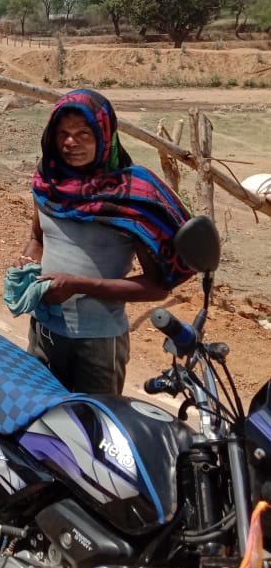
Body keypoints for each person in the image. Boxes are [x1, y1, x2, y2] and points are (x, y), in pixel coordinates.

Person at [15, 88, 193, 396]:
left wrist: (78, 285)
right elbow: (36, 239)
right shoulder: (48, 182)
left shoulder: (131, 195)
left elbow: (157, 287)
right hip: (43, 332)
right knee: (39, 428)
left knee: (95, 433)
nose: (70, 143)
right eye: (63, 133)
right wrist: (28, 262)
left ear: (104, 134)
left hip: (98, 343)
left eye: (83, 133)